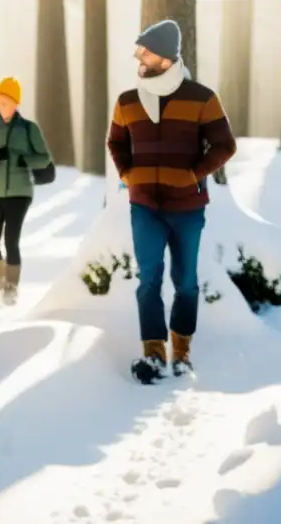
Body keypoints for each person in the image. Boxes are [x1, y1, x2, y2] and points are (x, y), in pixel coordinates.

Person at [107, 19, 236, 384]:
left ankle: (182, 353)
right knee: (148, 280)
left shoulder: (202, 98)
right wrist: (128, 174)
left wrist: (193, 174)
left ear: (164, 56)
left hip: (188, 209)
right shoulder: (128, 101)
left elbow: (226, 145)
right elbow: (115, 142)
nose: (138, 57)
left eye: (144, 51)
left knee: (186, 283)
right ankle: (153, 353)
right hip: (144, 206)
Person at [0, 77, 53, 305]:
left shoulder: (29, 129)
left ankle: (11, 287)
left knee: (11, 241)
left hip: (20, 192)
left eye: (6, 101)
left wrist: (23, 159)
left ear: (16, 103)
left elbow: (44, 157)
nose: (1, 104)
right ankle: (0, 276)